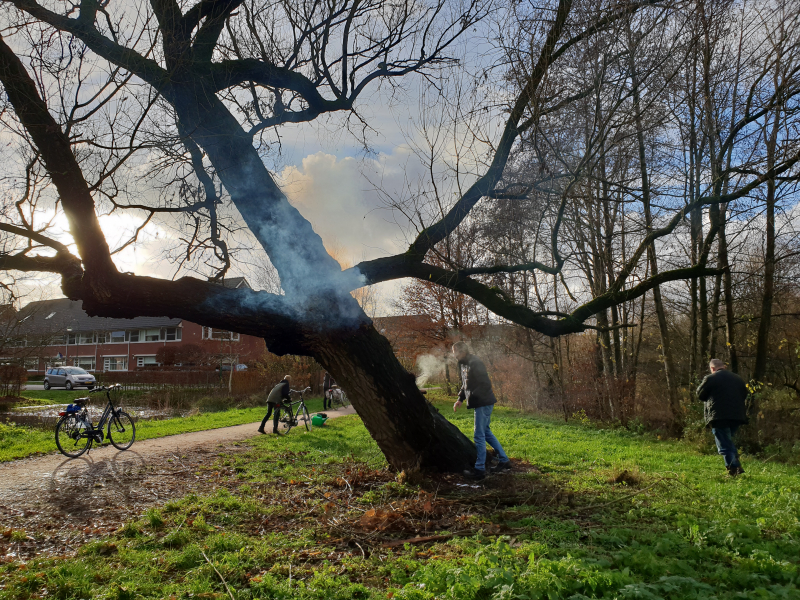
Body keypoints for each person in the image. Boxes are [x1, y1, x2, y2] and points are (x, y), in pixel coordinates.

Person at [452, 341, 511, 480]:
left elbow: (485, 384)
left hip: (483, 403)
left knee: (479, 435)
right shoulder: (465, 364)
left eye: (455, 352)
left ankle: (479, 470)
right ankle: (504, 460)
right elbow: (466, 384)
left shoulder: (475, 362)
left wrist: (472, 397)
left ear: (462, 352)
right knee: (486, 432)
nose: (453, 355)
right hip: (481, 402)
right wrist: (460, 398)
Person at [697, 358, 749, 476]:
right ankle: (735, 466)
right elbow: (744, 395)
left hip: (719, 416)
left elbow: (700, 394)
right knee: (728, 441)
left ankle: (734, 468)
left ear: (712, 368)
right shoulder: (738, 378)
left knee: (724, 443)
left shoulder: (711, 378)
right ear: (724, 366)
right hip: (737, 416)